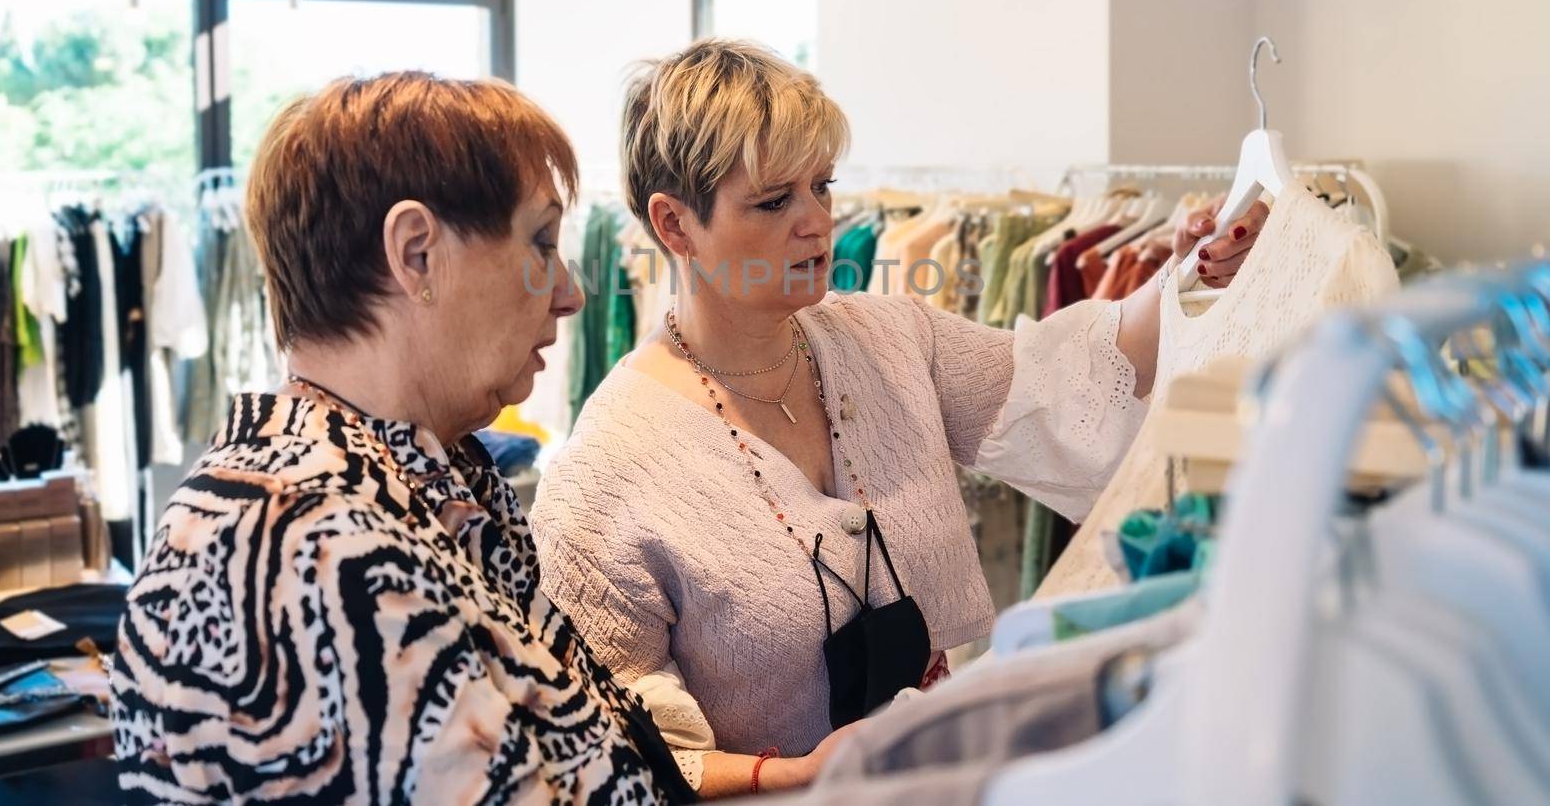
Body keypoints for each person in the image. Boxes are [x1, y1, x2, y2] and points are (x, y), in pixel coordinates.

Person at [530, 39, 1267, 797]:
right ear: (675, 224)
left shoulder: (884, 337)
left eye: (822, 185)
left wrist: (1186, 270)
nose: (819, 221)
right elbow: (599, 748)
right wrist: (791, 772)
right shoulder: (607, 472)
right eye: (775, 200)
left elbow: (1069, 371)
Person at [110, 73, 696, 804]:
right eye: (540, 239)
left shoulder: (415, 480)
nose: (571, 291)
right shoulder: (315, 547)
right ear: (417, 253)